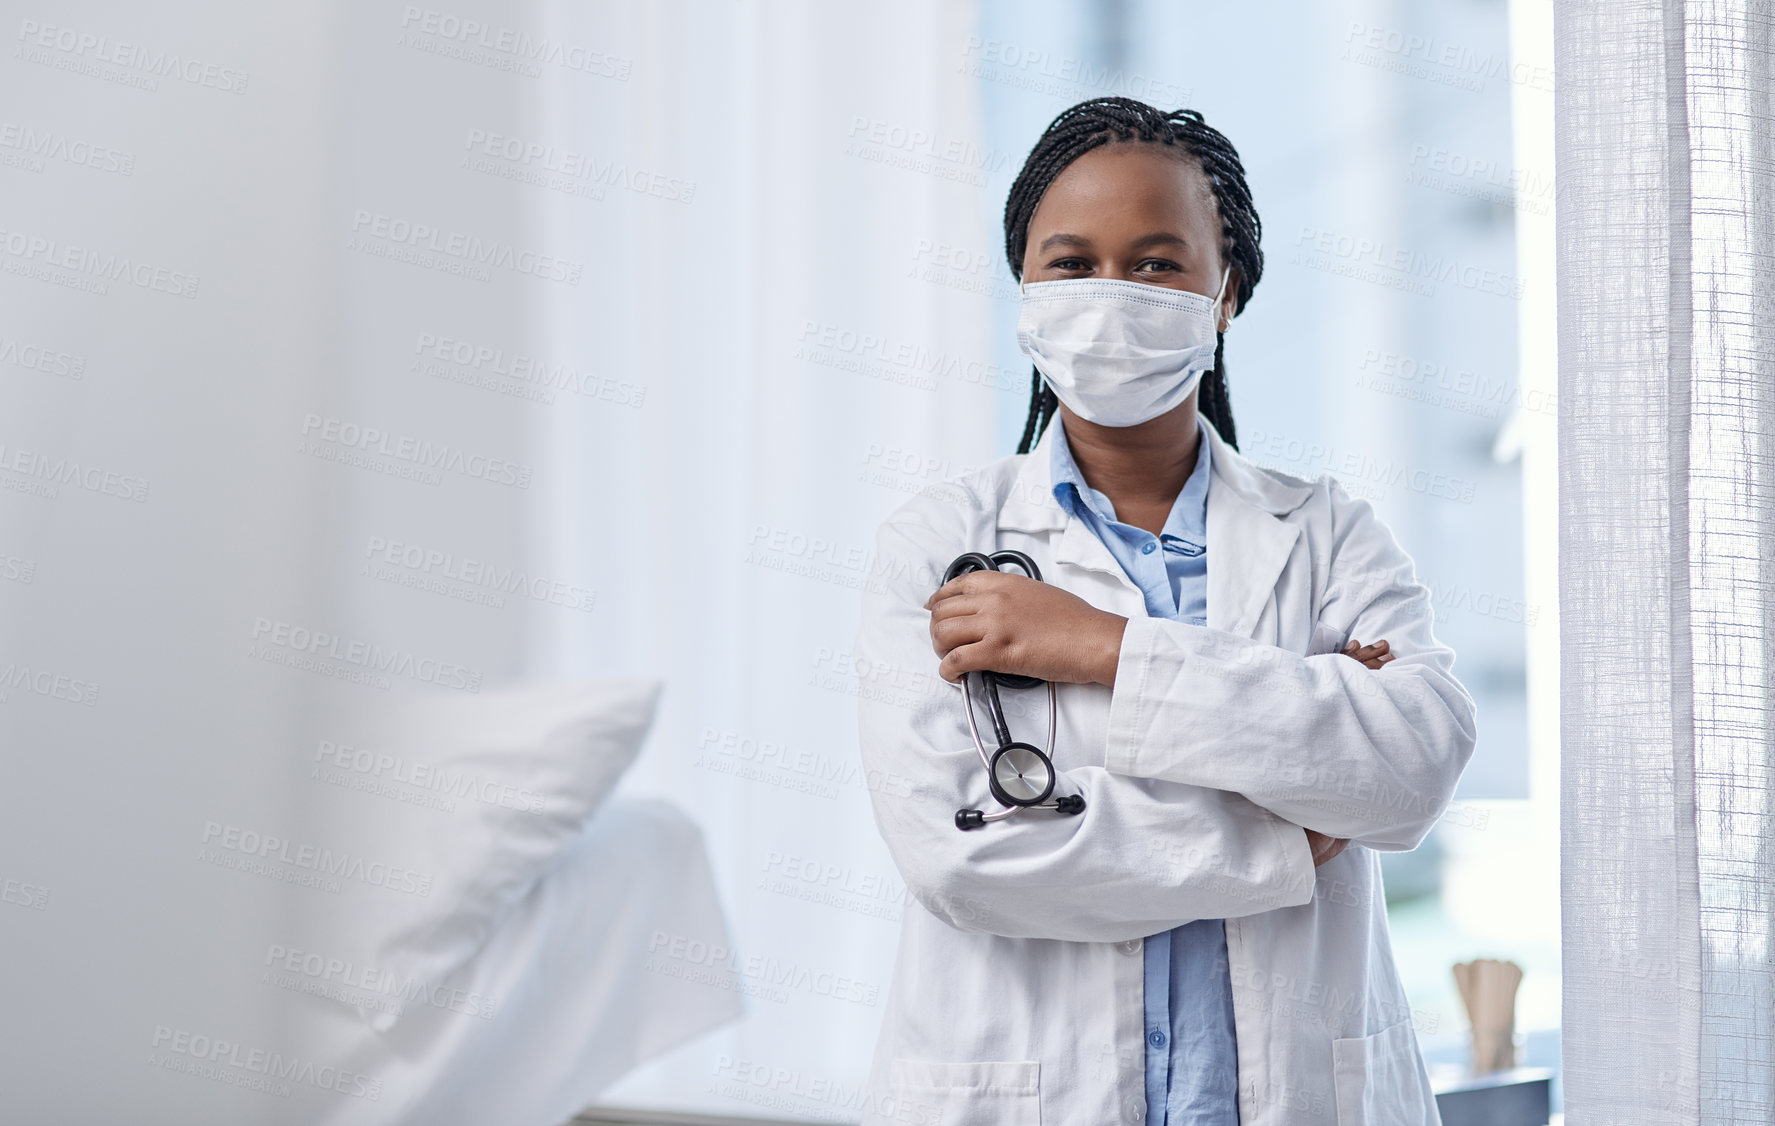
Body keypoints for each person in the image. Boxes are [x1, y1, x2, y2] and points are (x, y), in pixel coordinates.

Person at [854, 97, 1477, 1126]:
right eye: (1070, 263)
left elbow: (1413, 763)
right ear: (1023, 287)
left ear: (1224, 291)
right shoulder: (936, 543)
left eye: (1154, 263)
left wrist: (1099, 648)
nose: (1111, 297)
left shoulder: (1323, 532)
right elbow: (963, 856)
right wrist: (1286, 830)